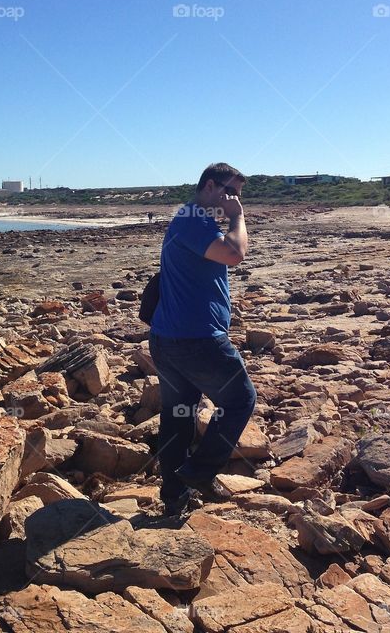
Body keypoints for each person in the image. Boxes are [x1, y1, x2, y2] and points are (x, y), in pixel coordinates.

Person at [149, 162, 257, 516]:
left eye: (238, 195)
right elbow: (235, 254)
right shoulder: (194, 219)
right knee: (240, 400)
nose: (235, 200)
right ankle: (200, 471)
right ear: (211, 186)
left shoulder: (193, 219)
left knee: (178, 415)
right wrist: (237, 218)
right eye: (231, 192)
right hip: (196, 340)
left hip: (170, 338)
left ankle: (174, 496)